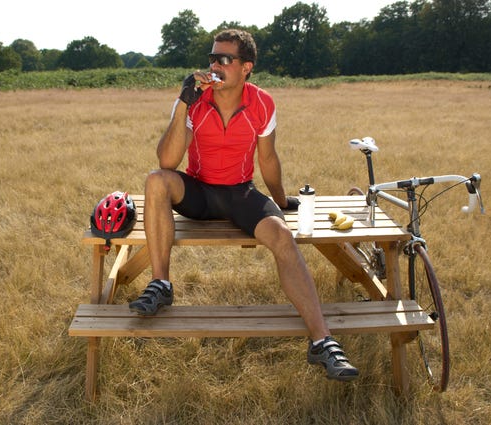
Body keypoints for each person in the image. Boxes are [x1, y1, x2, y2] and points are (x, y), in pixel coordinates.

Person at [128, 29, 358, 381]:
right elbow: (168, 161)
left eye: (225, 59)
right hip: (199, 192)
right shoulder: (194, 100)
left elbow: (268, 159)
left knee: (282, 235)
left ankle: (322, 341)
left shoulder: (263, 103)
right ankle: (161, 284)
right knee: (156, 179)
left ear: (246, 67)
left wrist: (281, 201)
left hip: (240, 193)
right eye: (211, 58)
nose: (215, 66)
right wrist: (183, 104)